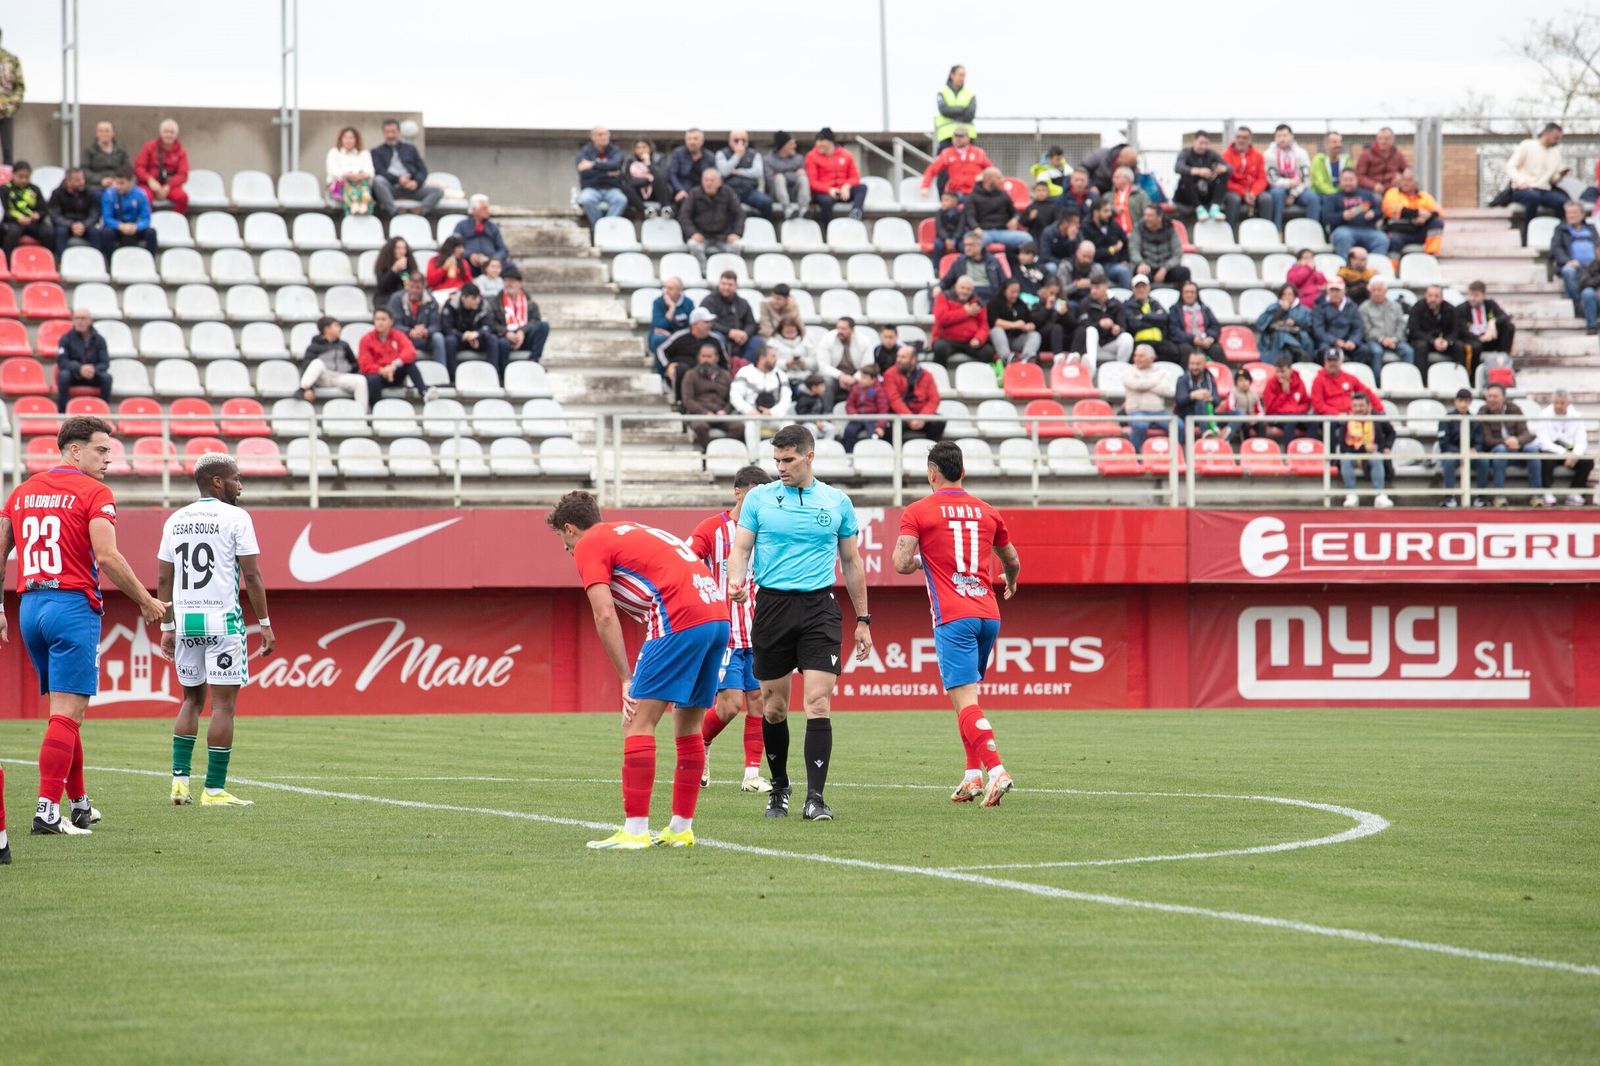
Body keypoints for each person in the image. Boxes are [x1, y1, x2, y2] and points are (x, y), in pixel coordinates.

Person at [0, 416, 168, 845]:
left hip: (31, 607)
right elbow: (107, 556)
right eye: (101, 449)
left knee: (66, 714)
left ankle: (79, 803)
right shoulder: (95, 492)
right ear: (74, 451)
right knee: (67, 714)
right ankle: (46, 810)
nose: (109, 458)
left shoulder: (22, 491)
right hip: (72, 607)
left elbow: (1, 549)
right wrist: (146, 601)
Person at [548, 491, 728, 849]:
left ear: (570, 528)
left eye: (563, 540)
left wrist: (626, 678)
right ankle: (681, 829)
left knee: (637, 722)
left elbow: (603, 615)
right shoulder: (628, 530)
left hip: (678, 617)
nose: (566, 550)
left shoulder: (589, 543)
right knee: (688, 725)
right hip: (716, 616)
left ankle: (634, 831)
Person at [725, 424, 872, 822]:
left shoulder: (837, 502)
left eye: (788, 460)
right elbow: (740, 549)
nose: (781, 467)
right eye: (776, 460)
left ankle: (816, 799)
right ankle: (779, 788)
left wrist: (863, 619)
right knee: (774, 708)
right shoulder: (759, 499)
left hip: (819, 607)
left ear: (809, 457)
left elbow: (852, 562)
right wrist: (736, 580)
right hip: (772, 606)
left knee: (818, 703)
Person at [892, 441, 1021, 806]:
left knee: (965, 701)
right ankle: (971, 775)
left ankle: (997, 771)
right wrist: (1011, 582)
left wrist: (922, 561)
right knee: (967, 699)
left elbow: (900, 563)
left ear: (931, 473)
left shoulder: (918, 511)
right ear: (963, 472)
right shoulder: (987, 511)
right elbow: (1011, 559)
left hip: (953, 616)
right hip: (988, 614)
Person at [157, 453, 274, 808]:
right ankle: (213, 790)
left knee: (191, 701)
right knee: (223, 707)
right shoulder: (237, 517)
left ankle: (179, 784)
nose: (240, 486)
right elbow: (251, 575)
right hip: (223, 621)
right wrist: (265, 623)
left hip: (186, 622)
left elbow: (164, 578)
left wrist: (167, 625)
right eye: (236, 478)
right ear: (218, 481)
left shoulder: (175, 519)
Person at [689, 467, 775, 792]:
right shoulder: (712, 529)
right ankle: (700, 743)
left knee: (759, 700)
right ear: (737, 492)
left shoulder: (768, 531)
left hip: (759, 631)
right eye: (753, 494)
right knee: (729, 705)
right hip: (724, 632)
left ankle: (751, 776)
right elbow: (684, 563)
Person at [1476, 383, 1543, 506]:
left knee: (1532, 449)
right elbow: (1487, 440)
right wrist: (1506, 442)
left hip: (1517, 448)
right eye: (1489, 396)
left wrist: (1517, 441)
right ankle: (1499, 496)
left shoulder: (1514, 409)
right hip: (1496, 452)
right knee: (1501, 449)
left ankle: (1536, 495)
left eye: (1495, 396)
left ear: (1504, 397)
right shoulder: (1483, 411)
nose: (1491, 399)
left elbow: (1526, 433)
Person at [1532, 389, 1593, 507]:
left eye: (1562, 403)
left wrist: (1575, 454)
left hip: (1570, 449)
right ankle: (1547, 492)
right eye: (1556, 403)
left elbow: (1581, 440)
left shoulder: (1576, 416)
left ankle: (1574, 492)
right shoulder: (1544, 414)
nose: (1558, 406)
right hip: (1551, 449)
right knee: (1545, 459)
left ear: (1568, 403)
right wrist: (1563, 453)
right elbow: (1544, 441)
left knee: (1587, 461)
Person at [359, 307, 431, 403]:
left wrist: (393, 366)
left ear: (391, 322)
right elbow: (365, 365)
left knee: (410, 364)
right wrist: (382, 370)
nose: (380, 322)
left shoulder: (398, 335)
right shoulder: (366, 339)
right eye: (377, 319)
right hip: (378, 375)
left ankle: (424, 393)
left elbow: (410, 351)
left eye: (383, 319)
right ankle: (375, 408)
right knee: (373, 379)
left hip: (394, 373)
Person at [370, 118, 441, 216]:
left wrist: (416, 182)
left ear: (399, 132)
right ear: (384, 133)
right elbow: (379, 171)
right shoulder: (377, 152)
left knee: (437, 191)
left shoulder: (410, 149)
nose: (390, 135)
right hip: (391, 188)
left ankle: (419, 211)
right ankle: (395, 211)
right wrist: (398, 179)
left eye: (393, 132)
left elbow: (422, 170)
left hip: (411, 188)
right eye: (387, 132)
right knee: (378, 180)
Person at [1337, 392, 1395, 508]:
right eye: (1355, 406)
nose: (1358, 409)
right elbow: (1343, 447)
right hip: (1353, 454)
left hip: (1372, 454)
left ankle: (1380, 495)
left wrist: (1387, 447)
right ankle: (1351, 494)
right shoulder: (1346, 421)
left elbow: (1391, 433)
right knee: (1345, 458)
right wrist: (1363, 448)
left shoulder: (1377, 418)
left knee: (1377, 457)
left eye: (1361, 406)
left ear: (1369, 406)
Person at [680, 168, 745, 272]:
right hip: (701, 236)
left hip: (724, 236)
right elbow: (684, 216)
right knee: (693, 245)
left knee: (737, 245)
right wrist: (692, 233)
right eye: (706, 180)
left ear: (719, 182)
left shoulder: (728, 192)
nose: (708, 183)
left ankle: (727, 272)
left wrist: (736, 233)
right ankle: (703, 272)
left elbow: (740, 214)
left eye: (712, 180)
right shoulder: (694, 193)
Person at [730, 346, 793, 449]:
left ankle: (786, 456)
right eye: (773, 356)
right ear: (762, 357)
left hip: (773, 415)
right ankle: (754, 457)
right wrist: (749, 410)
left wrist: (772, 412)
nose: (776, 359)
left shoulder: (780, 374)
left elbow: (787, 398)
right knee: (751, 423)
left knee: (789, 424)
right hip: (751, 415)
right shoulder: (745, 372)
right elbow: (735, 396)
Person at [389, 273, 454, 371]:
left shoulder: (431, 300)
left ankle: (442, 373)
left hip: (424, 338)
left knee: (438, 338)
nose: (414, 291)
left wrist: (426, 331)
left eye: (418, 288)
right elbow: (394, 324)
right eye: (412, 287)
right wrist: (410, 331)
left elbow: (436, 325)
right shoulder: (397, 299)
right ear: (407, 285)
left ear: (424, 287)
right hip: (404, 338)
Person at [299, 316, 368, 407]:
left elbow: (354, 364)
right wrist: (310, 389)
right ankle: (303, 389)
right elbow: (306, 367)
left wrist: (347, 368)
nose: (339, 328)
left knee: (361, 380)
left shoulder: (344, 345)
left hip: (339, 376)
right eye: (336, 326)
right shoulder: (314, 347)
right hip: (323, 378)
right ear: (327, 329)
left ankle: (362, 412)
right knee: (317, 363)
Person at [1503, 123, 1569, 217]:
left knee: (1563, 202)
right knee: (1533, 198)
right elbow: (1510, 166)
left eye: (1559, 139)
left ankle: (1558, 225)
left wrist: (1560, 175)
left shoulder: (1555, 153)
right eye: (1555, 138)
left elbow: (1552, 180)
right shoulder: (1527, 145)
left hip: (1544, 190)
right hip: (1523, 189)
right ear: (1546, 134)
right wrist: (1520, 181)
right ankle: (1529, 226)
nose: (1557, 141)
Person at [657, 308, 724, 400]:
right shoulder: (680, 336)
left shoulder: (716, 340)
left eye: (710, 322)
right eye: (706, 322)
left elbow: (724, 362)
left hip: (708, 376)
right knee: (681, 369)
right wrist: (668, 365)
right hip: (684, 375)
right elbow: (661, 350)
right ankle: (679, 401)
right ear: (695, 324)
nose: (710, 325)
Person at [681, 341, 738, 448]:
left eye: (709, 356)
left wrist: (725, 411)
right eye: (703, 356)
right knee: (700, 426)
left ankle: (722, 449)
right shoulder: (690, 375)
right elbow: (688, 400)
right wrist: (705, 412)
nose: (706, 360)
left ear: (716, 358)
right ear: (699, 358)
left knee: (739, 427)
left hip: (721, 415)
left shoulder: (726, 375)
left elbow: (732, 399)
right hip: (699, 415)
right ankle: (708, 451)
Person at [443, 282, 507, 378]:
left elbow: (489, 326)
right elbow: (446, 328)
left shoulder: (483, 304)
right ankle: (452, 377)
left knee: (492, 339)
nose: (477, 301)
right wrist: (463, 336)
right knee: (449, 341)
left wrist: (477, 334)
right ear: (463, 298)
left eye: (478, 297)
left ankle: (492, 375)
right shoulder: (451, 304)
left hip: (477, 338)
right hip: (459, 338)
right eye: (473, 298)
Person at [805, 128, 867, 225]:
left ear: (830, 142)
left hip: (842, 191)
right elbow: (812, 182)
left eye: (821, 141)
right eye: (817, 141)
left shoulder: (846, 155)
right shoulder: (812, 156)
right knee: (826, 201)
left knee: (862, 188)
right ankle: (828, 228)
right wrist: (828, 190)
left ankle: (855, 215)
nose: (818, 144)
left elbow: (855, 177)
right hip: (824, 192)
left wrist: (846, 186)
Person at [1324, 169, 1389, 259]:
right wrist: (1342, 216)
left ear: (1356, 180)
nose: (1348, 183)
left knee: (1382, 239)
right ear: (1340, 181)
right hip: (1344, 230)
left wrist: (1373, 213)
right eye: (1345, 180)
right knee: (1343, 236)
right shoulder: (1333, 198)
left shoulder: (1368, 195)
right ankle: (1346, 265)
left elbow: (1380, 211)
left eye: (1351, 180)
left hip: (1368, 230)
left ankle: (1375, 266)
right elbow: (1326, 218)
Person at [931, 275, 994, 367]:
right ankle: (938, 374)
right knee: (940, 348)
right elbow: (941, 319)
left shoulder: (978, 303)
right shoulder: (943, 297)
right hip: (947, 339)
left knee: (988, 351)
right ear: (956, 286)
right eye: (962, 288)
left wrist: (978, 339)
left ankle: (979, 375)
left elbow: (984, 325)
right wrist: (964, 312)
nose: (965, 291)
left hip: (970, 342)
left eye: (968, 289)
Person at [94, 165, 157, 258]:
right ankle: (110, 261)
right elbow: (107, 218)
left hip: (134, 228)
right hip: (117, 228)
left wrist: (137, 226)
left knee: (151, 232)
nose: (118, 186)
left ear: (131, 182)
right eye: (117, 183)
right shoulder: (109, 194)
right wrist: (120, 226)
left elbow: (146, 218)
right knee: (106, 233)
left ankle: (150, 260)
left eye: (122, 183)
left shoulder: (140, 194)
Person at [1263, 124, 1317, 230]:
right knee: (1277, 193)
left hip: (1298, 189)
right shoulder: (1268, 154)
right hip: (1279, 188)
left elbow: (1306, 178)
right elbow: (1271, 179)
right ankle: (1276, 230)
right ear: (1275, 138)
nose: (1282, 139)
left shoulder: (1301, 153)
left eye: (1285, 135)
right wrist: (1289, 183)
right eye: (1279, 136)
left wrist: (1293, 194)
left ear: (1292, 136)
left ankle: (1312, 231)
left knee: (1313, 198)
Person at [884, 345, 944, 440]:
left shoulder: (927, 375)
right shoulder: (889, 374)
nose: (898, 360)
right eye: (898, 356)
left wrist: (922, 417)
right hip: (900, 415)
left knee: (939, 421)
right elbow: (894, 399)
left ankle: (930, 448)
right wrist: (910, 418)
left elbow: (934, 399)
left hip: (921, 414)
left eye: (903, 357)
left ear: (913, 360)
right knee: (893, 425)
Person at [701, 269, 761, 364]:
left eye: (730, 285)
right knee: (717, 338)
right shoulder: (709, 301)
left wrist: (745, 334)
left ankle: (743, 367)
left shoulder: (743, 303)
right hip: (721, 335)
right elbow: (709, 323)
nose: (726, 287)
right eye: (723, 284)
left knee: (757, 342)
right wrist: (729, 332)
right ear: (719, 284)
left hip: (741, 338)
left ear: (736, 286)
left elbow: (751, 323)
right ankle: (723, 367)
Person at [1437, 388, 1485, 504]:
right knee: (1448, 461)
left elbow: (1480, 442)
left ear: (1470, 402)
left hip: (1470, 454)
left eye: (1466, 401)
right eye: (1460, 401)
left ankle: (1481, 497)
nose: (1463, 404)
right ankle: (1449, 497)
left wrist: (1475, 449)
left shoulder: (1475, 420)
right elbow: (1444, 443)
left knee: (1484, 462)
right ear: (1455, 401)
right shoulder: (1446, 419)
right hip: (1453, 454)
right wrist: (1460, 452)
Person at [54, 308, 112, 403]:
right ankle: (62, 410)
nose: (80, 321)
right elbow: (62, 361)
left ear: (90, 321)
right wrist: (79, 368)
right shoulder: (65, 339)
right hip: (74, 375)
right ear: (73, 320)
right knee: (63, 376)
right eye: (77, 318)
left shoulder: (99, 340)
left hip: (92, 375)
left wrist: (93, 369)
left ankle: (103, 409)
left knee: (107, 378)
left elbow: (105, 363)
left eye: (83, 318)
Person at [1122, 344, 1174, 450]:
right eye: (1136, 355)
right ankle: (1135, 456)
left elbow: (1166, 390)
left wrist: (1143, 384)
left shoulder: (1161, 372)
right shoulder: (1128, 371)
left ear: (1151, 358)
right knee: (1140, 426)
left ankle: (1176, 454)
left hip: (1159, 412)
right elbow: (1136, 385)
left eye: (1141, 356)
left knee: (1179, 426)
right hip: (1136, 411)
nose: (1137, 359)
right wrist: (1155, 382)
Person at [1381, 168, 1445, 255]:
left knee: (1437, 222)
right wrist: (1417, 214)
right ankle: (1392, 263)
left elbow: (1440, 212)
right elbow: (1391, 209)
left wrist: (1428, 216)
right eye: (1403, 179)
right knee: (1394, 240)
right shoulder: (1393, 193)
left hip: (1418, 232)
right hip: (1399, 232)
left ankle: (1430, 254)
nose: (1405, 183)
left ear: (1416, 183)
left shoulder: (1424, 196)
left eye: (1409, 180)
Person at [134, 119, 190, 214]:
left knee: (182, 197)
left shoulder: (181, 152)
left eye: (172, 132)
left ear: (176, 135)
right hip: (149, 184)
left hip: (169, 186)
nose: (168, 135)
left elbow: (183, 174)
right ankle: (148, 220)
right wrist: (149, 180)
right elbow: (138, 167)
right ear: (160, 133)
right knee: (143, 197)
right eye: (166, 132)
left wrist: (168, 186)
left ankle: (175, 220)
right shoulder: (149, 147)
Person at [495, 263, 548, 363]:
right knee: (502, 343)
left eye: (512, 281)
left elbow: (535, 320)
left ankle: (534, 360)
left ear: (520, 283)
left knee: (543, 326)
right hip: (506, 337)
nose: (509, 284)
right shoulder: (496, 302)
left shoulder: (530, 303)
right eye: (506, 281)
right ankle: (503, 370)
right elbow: (492, 323)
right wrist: (506, 333)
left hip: (525, 336)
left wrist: (522, 331)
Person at [1553, 199, 1599, 312]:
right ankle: (1578, 304)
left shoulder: (1591, 228)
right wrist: (1567, 261)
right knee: (1568, 271)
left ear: (1582, 214)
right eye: (1568, 213)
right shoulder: (1561, 229)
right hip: (1573, 265)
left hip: (1593, 266)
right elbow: (1556, 248)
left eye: (1574, 212)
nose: (1571, 215)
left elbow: (1598, 245)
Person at [1073, 277, 1133, 364]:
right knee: (1091, 330)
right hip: (1091, 344)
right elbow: (1082, 326)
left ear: (1105, 286)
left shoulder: (1116, 304)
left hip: (1110, 342)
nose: (1093, 291)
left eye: (1097, 288)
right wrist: (1099, 324)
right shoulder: (1085, 303)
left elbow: (1123, 327)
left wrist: (1117, 329)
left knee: (1127, 338)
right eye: (1092, 288)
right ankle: (1091, 367)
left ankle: (1120, 367)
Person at [1129, 203, 1191, 287]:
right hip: (1146, 266)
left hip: (1167, 268)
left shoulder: (1170, 229)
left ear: (1159, 217)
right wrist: (1141, 263)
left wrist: (1165, 268)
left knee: (1184, 272)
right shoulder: (1138, 228)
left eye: (1150, 216)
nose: (1146, 218)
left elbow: (1177, 254)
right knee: (1140, 274)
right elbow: (1133, 250)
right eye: (1145, 215)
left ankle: (1182, 295)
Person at [1173, 130, 1230, 221]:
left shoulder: (1211, 154)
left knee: (1224, 173)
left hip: (1205, 192)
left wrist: (1221, 169)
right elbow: (1178, 167)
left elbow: (1229, 168)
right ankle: (1198, 209)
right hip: (1187, 194)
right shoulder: (1185, 153)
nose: (1203, 146)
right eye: (1201, 143)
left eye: (1206, 144)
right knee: (1186, 174)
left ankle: (1215, 208)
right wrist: (1198, 171)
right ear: (1194, 142)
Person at [714, 130, 773, 218]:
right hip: (730, 190)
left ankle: (763, 224)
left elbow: (757, 172)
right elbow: (724, 172)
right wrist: (737, 156)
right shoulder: (721, 153)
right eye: (736, 140)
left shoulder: (754, 154)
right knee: (728, 205)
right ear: (729, 141)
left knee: (766, 202)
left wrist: (737, 171)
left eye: (743, 140)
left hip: (749, 190)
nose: (740, 143)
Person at [1312, 278, 1368, 369]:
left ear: (1344, 291)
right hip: (1329, 342)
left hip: (1348, 341)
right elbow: (1319, 330)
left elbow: (1358, 327)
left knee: (1364, 350)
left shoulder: (1352, 306)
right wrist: (1334, 341)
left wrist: (1353, 341)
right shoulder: (1320, 307)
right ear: (1327, 291)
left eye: (1337, 290)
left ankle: (1355, 374)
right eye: (1332, 290)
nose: (1335, 293)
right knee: (1323, 350)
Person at [575, 126, 627, 225]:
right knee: (586, 199)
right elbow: (584, 173)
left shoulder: (615, 151)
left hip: (611, 188)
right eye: (600, 134)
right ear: (592, 137)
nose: (603, 137)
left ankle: (606, 228)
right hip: (591, 188)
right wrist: (608, 173)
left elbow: (616, 165)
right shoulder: (584, 152)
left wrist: (593, 165)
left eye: (606, 134)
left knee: (621, 200)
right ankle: (598, 227)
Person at [920, 128, 992, 199]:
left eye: (961, 137)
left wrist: (983, 176)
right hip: (955, 193)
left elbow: (991, 170)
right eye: (955, 136)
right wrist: (925, 186)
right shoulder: (947, 153)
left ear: (968, 138)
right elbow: (932, 170)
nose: (958, 139)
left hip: (975, 192)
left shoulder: (978, 152)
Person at [1455, 281, 1515, 366]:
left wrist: (1493, 322)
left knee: (1509, 326)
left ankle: (1504, 359)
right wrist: (1479, 338)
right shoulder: (1462, 308)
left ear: (1484, 295)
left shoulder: (1490, 304)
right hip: (1473, 340)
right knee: (1475, 346)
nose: (1472, 298)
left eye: (1476, 295)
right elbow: (1462, 330)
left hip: (1489, 339)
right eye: (1470, 295)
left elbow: (1505, 317)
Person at [816, 315, 872, 405]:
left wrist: (854, 379)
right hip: (835, 376)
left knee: (869, 382)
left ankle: (864, 412)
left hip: (856, 376)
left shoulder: (864, 341)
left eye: (843, 329)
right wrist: (841, 376)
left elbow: (868, 365)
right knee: (827, 382)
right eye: (838, 328)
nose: (840, 331)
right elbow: (823, 366)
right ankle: (827, 412)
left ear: (852, 330)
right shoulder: (827, 339)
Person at [1309, 348, 1381, 418]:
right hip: (1331, 417)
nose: (1332, 363)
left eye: (1335, 360)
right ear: (1325, 362)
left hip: (1351, 415)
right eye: (1329, 360)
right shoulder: (1319, 380)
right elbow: (1318, 404)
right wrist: (1336, 414)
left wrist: (1379, 408)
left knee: (1375, 414)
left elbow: (1366, 392)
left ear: (1341, 361)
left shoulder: (1348, 377)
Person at [1124, 276, 1180, 364]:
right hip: (1140, 341)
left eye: (1144, 287)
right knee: (1140, 355)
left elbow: (1164, 318)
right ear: (1133, 289)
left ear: (1149, 288)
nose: (1141, 290)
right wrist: (1155, 320)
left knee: (1174, 351)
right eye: (1138, 287)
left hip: (1158, 340)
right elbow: (1134, 324)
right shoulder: (1128, 305)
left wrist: (1143, 317)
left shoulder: (1154, 303)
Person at [47, 167, 99, 260]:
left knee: (95, 232)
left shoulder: (91, 192)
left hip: (85, 223)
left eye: (82, 179)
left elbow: (95, 214)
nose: (82, 182)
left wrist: (84, 225)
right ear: (68, 182)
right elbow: (55, 215)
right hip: (65, 224)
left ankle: (97, 260)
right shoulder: (57, 193)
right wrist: (71, 224)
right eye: (78, 180)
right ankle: (61, 261)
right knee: (60, 232)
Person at [1222, 126, 1268, 232]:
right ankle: (1230, 233)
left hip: (1253, 191)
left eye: (1244, 138)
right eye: (1238, 137)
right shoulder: (1225, 156)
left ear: (1250, 140)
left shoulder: (1258, 156)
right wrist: (1243, 192)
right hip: (1234, 191)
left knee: (1266, 199)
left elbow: (1262, 179)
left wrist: (1253, 193)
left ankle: (1265, 233)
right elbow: (1226, 181)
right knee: (1234, 200)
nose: (1241, 140)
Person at [1360, 278, 1414, 365]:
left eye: (1379, 290)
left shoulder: (1396, 306)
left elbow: (1401, 326)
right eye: (1373, 290)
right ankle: (1376, 374)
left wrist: (1394, 339)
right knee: (1376, 352)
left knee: (1408, 351)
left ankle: (1407, 373)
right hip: (1374, 340)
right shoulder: (1364, 307)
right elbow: (1366, 330)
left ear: (1385, 291)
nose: (1376, 293)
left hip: (1394, 340)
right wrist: (1382, 339)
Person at [939, 231, 1004, 303]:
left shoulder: (992, 261)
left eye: (970, 245)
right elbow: (946, 281)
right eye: (965, 245)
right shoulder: (960, 262)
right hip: (966, 294)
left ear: (980, 246)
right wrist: (939, 287)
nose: (967, 248)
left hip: (988, 295)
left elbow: (1004, 282)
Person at [1083, 196, 1133, 289]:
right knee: (1123, 272)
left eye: (1110, 210)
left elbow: (1124, 243)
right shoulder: (1085, 227)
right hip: (1096, 265)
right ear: (1096, 212)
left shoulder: (1113, 225)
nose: (1110, 214)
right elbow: (1091, 253)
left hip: (1116, 263)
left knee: (1127, 269)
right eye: (1105, 211)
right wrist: (1111, 250)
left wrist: (1124, 260)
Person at [1, 161, 50, 254]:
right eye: (20, 177)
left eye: (27, 177)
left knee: (48, 232)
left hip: (33, 222)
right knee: (12, 233)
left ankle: (49, 258)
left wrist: (38, 215)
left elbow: (43, 209)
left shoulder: (35, 189)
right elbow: (3, 211)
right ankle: (8, 259)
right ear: (13, 174)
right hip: (13, 222)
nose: (23, 180)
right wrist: (17, 219)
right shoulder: (4, 189)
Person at [1256, 283, 1315, 360]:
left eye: (1290, 294)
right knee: (1280, 334)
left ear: (1294, 296)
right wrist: (1282, 311)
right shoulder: (1273, 308)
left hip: (1297, 337)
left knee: (1304, 337)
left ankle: (1295, 349)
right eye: (1284, 294)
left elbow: (1310, 328)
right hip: (1275, 340)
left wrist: (1295, 323)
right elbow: (1261, 325)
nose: (1287, 297)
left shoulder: (1304, 311)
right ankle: (1296, 349)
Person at [988, 279, 1040, 363]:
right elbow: (994, 322)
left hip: (1016, 339)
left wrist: (1029, 326)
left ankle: (1027, 358)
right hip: (999, 340)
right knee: (997, 330)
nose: (1015, 295)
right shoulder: (995, 302)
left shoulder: (1021, 304)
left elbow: (1030, 321)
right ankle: (1007, 358)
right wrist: (1015, 325)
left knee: (1035, 335)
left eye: (1017, 292)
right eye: (1012, 292)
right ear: (1004, 290)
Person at [1168, 280, 1222, 364]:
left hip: (1204, 339)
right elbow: (1174, 330)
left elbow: (1215, 326)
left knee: (1216, 349)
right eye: (1186, 292)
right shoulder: (1175, 310)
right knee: (1186, 349)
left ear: (1197, 294)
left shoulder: (1205, 309)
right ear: (1181, 294)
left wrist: (1209, 338)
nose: (1189, 295)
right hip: (1185, 342)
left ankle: (1216, 371)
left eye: (1192, 292)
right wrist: (1192, 339)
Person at [1262, 355, 1314, 440]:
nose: (1280, 375)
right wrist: (1284, 394)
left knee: (1313, 421)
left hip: (1296, 415)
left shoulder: (1299, 382)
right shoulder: (1271, 384)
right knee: (1290, 422)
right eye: (1277, 372)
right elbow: (1270, 409)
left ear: (1290, 370)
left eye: (1283, 371)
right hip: (1277, 417)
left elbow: (1305, 403)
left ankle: (1312, 447)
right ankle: (1289, 448)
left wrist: (1296, 411)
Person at [1407, 284, 1461, 366]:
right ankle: (1422, 374)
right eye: (1430, 296)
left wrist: (1447, 341)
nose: (1433, 299)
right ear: (1425, 295)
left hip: (1444, 342)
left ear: (1442, 297)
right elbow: (1414, 331)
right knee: (1421, 346)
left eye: (1436, 296)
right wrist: (1433, 340)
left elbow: (1455, 330)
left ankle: (1458, 373)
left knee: (1458, 346)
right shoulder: (1417, 308)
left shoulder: (1450, 309)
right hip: (1424, 340)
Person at [325, 126, 374, 215]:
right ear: (341, 139)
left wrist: (357, 176)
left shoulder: (364, 153)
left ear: (356, 139)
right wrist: (349, 175)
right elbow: (333, 172)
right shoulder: (334, 152)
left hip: (361, 184)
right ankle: (354, 208)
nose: (348, 140)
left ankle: (363, 208)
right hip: (339, 187)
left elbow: (370, 172)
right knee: (348, 184)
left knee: (362, 185)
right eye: (345, 137)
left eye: (351, 138)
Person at [842, 362, 890, 451]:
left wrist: (880, 426)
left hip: (872, 419)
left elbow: (883, 410)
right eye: (861, 376)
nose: (861, 379)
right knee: (849, 432)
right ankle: (849, 455)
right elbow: (849, 404)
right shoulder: (855, 389)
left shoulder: (879, 390)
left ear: (873, 379)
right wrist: (853, 413)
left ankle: (874, 454)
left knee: (874, 435)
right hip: (857, 418)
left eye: (864, 377)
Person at [1175, 350, 1221, 439]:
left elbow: (1217, 400)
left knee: (1238, 413)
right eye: (1192, 364)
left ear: (1204, 364)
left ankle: (1224, 438)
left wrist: (1210, 398)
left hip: (1209, 413)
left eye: (1198, 364)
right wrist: (1193, 396)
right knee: (1200, 402)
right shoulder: (1183, 379)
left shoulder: (1210, 378)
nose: (1194, 367)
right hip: (1187, 415)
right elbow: (1179, 401)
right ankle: (1206, 433)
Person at [454, 194, 508, 269]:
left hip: (491, 263)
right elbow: (455, 247)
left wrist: (493, 259)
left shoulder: (493, 227)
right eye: (484, 208)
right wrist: (469, 255)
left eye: (488, 208)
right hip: (468, 262)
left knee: (510, 268)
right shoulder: (461, 226)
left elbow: (503, 250)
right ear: (474, 210)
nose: (488, 211)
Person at [764, 131, 809, 220]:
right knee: (779, 178)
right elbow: (770, 180)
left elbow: (801, 174)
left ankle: (804, 209)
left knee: (803, 178)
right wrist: (793, 174)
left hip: (794, 192)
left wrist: (784, 174)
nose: (794, 146)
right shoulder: (768, 159)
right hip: (777, 194)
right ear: (783, 145)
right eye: (791, 144)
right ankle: (787, 210)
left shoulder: (798, 158)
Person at [934, 64, 977, 153]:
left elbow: (970, 114)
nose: (962, 78)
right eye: (960, 75)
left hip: (967, 135)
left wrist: (953, 111)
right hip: (947, 136)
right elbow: (944, 110)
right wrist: (962, 109)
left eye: (964, 76)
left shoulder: (970, 93)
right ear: (952, 75)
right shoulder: (942, 92)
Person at [626, 138, 671, 219]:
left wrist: (649, 164)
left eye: (644, 147)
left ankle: (666, 209)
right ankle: (646, 210)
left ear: (650, 148)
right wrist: (647, 180)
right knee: (626, 187)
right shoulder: (631, 161)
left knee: (658, 179)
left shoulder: (659, 158)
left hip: (656, 192)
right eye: (638, 148)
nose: (641, 150)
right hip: (638, 193)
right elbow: (629, 181)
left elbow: (663, 176)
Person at [372, 236, 420, 310]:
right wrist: (394, 269)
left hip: (404, 299)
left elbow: (408, 282)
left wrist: (407, 280)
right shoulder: (383, 264)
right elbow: (382, 286)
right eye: (398, 248)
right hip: (385, 299)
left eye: (404, 248)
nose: (401, 251)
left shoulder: (409, 265)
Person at [667, 128, 713, 206]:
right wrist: (680, 190)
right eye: (689, 139)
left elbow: (714, 177)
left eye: (695, 139)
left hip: (703, 192)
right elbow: (672, 174)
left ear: (702, 141)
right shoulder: (678, 153)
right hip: (683, 191)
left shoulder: (709, 156)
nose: (692, 142)